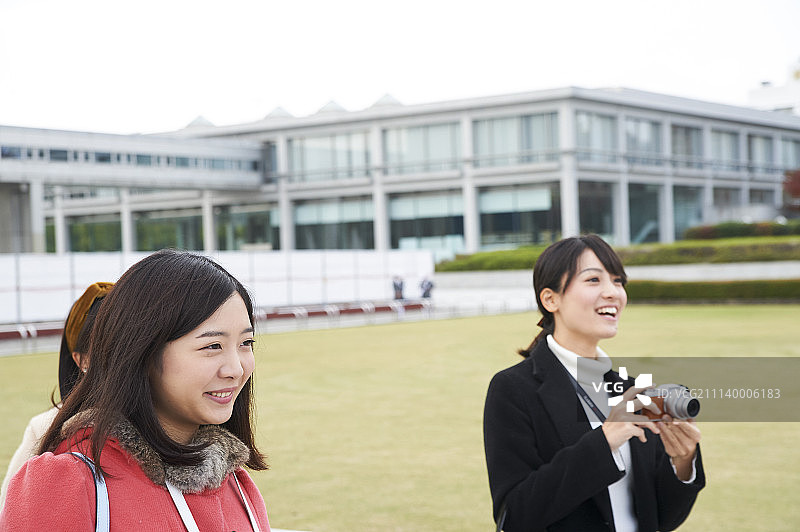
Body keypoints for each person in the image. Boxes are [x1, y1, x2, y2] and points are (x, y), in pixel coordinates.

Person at [0, 249, 270, 531]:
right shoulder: (66, 484)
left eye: (246, 343)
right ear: (143, 352)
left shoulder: (237, 483)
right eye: (212, 346)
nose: (236, 369)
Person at [483, 235, 705, 532]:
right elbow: (516, 516)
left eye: (618, 281)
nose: (613, 292)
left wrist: (682, 463)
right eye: (593, 280)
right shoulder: (514, 389)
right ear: (551, 299)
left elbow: (662, 519)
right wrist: (604, 442)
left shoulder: (632, 390)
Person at [0, 281, 113, 510]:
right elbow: (10, 510)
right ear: (81, 360)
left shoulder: (173, 418)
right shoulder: (45, 428)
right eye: (109, 345)